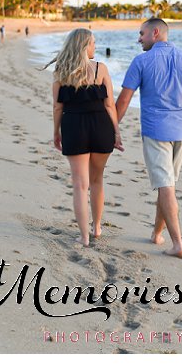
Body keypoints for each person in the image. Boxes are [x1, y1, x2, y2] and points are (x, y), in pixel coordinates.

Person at [113, 18, 182, 259]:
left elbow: (124, 100)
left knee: (165, 185)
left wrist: (112, 127)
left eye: (142, 34)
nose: (139, 39)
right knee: (166, 184)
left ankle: (177, 243)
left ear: (155, 33)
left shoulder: (141, 61)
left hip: (156, 131)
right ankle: (157, 234)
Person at [45, 29, 123, 247]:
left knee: (80, 184)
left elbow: (57, 107)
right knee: (97, 180)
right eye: (93, 43)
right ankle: (97, 227)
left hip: (74, 127)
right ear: (84, 46)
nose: (95, 47)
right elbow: (109, 105)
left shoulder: (61, 71)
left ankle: (84, 236)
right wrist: (116, 132)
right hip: (101, 127)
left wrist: (56, 132)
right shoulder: (101, 69)